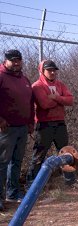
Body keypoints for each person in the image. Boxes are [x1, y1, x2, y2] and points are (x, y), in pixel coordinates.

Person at [26, 60, 78, 188]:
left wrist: (56, 97)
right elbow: (44, 104)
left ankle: (70, 181)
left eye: (54, 70)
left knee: (66, 152)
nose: (52, 72)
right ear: (42, 71)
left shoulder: (60, 84)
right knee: (39, 154)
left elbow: (71, 100)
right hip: (45, 124)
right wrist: (62, 100)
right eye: (49, 70)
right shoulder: (37, 86)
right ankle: (32, 183)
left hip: (60, 123)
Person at [0, 49, 34, 210]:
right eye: (13, 60)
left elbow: (29, 102)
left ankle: (12, 194)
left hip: (22, 127)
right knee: (2, 162)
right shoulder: (1, 77)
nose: (16, 63)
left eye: (19, 60)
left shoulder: (24, 79)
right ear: (5, 61)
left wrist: (30, 122)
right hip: (6, 128)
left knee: (16, 162)